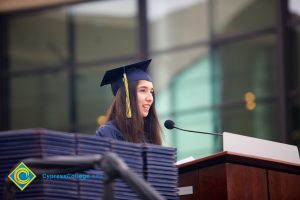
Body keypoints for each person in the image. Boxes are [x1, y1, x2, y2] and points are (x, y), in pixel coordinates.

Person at [96, 59, 162, 145]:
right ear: (126, 95)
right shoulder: (108, 133)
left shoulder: (148, 134)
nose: (150, 98)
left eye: (151, 92)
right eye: (143, 90)